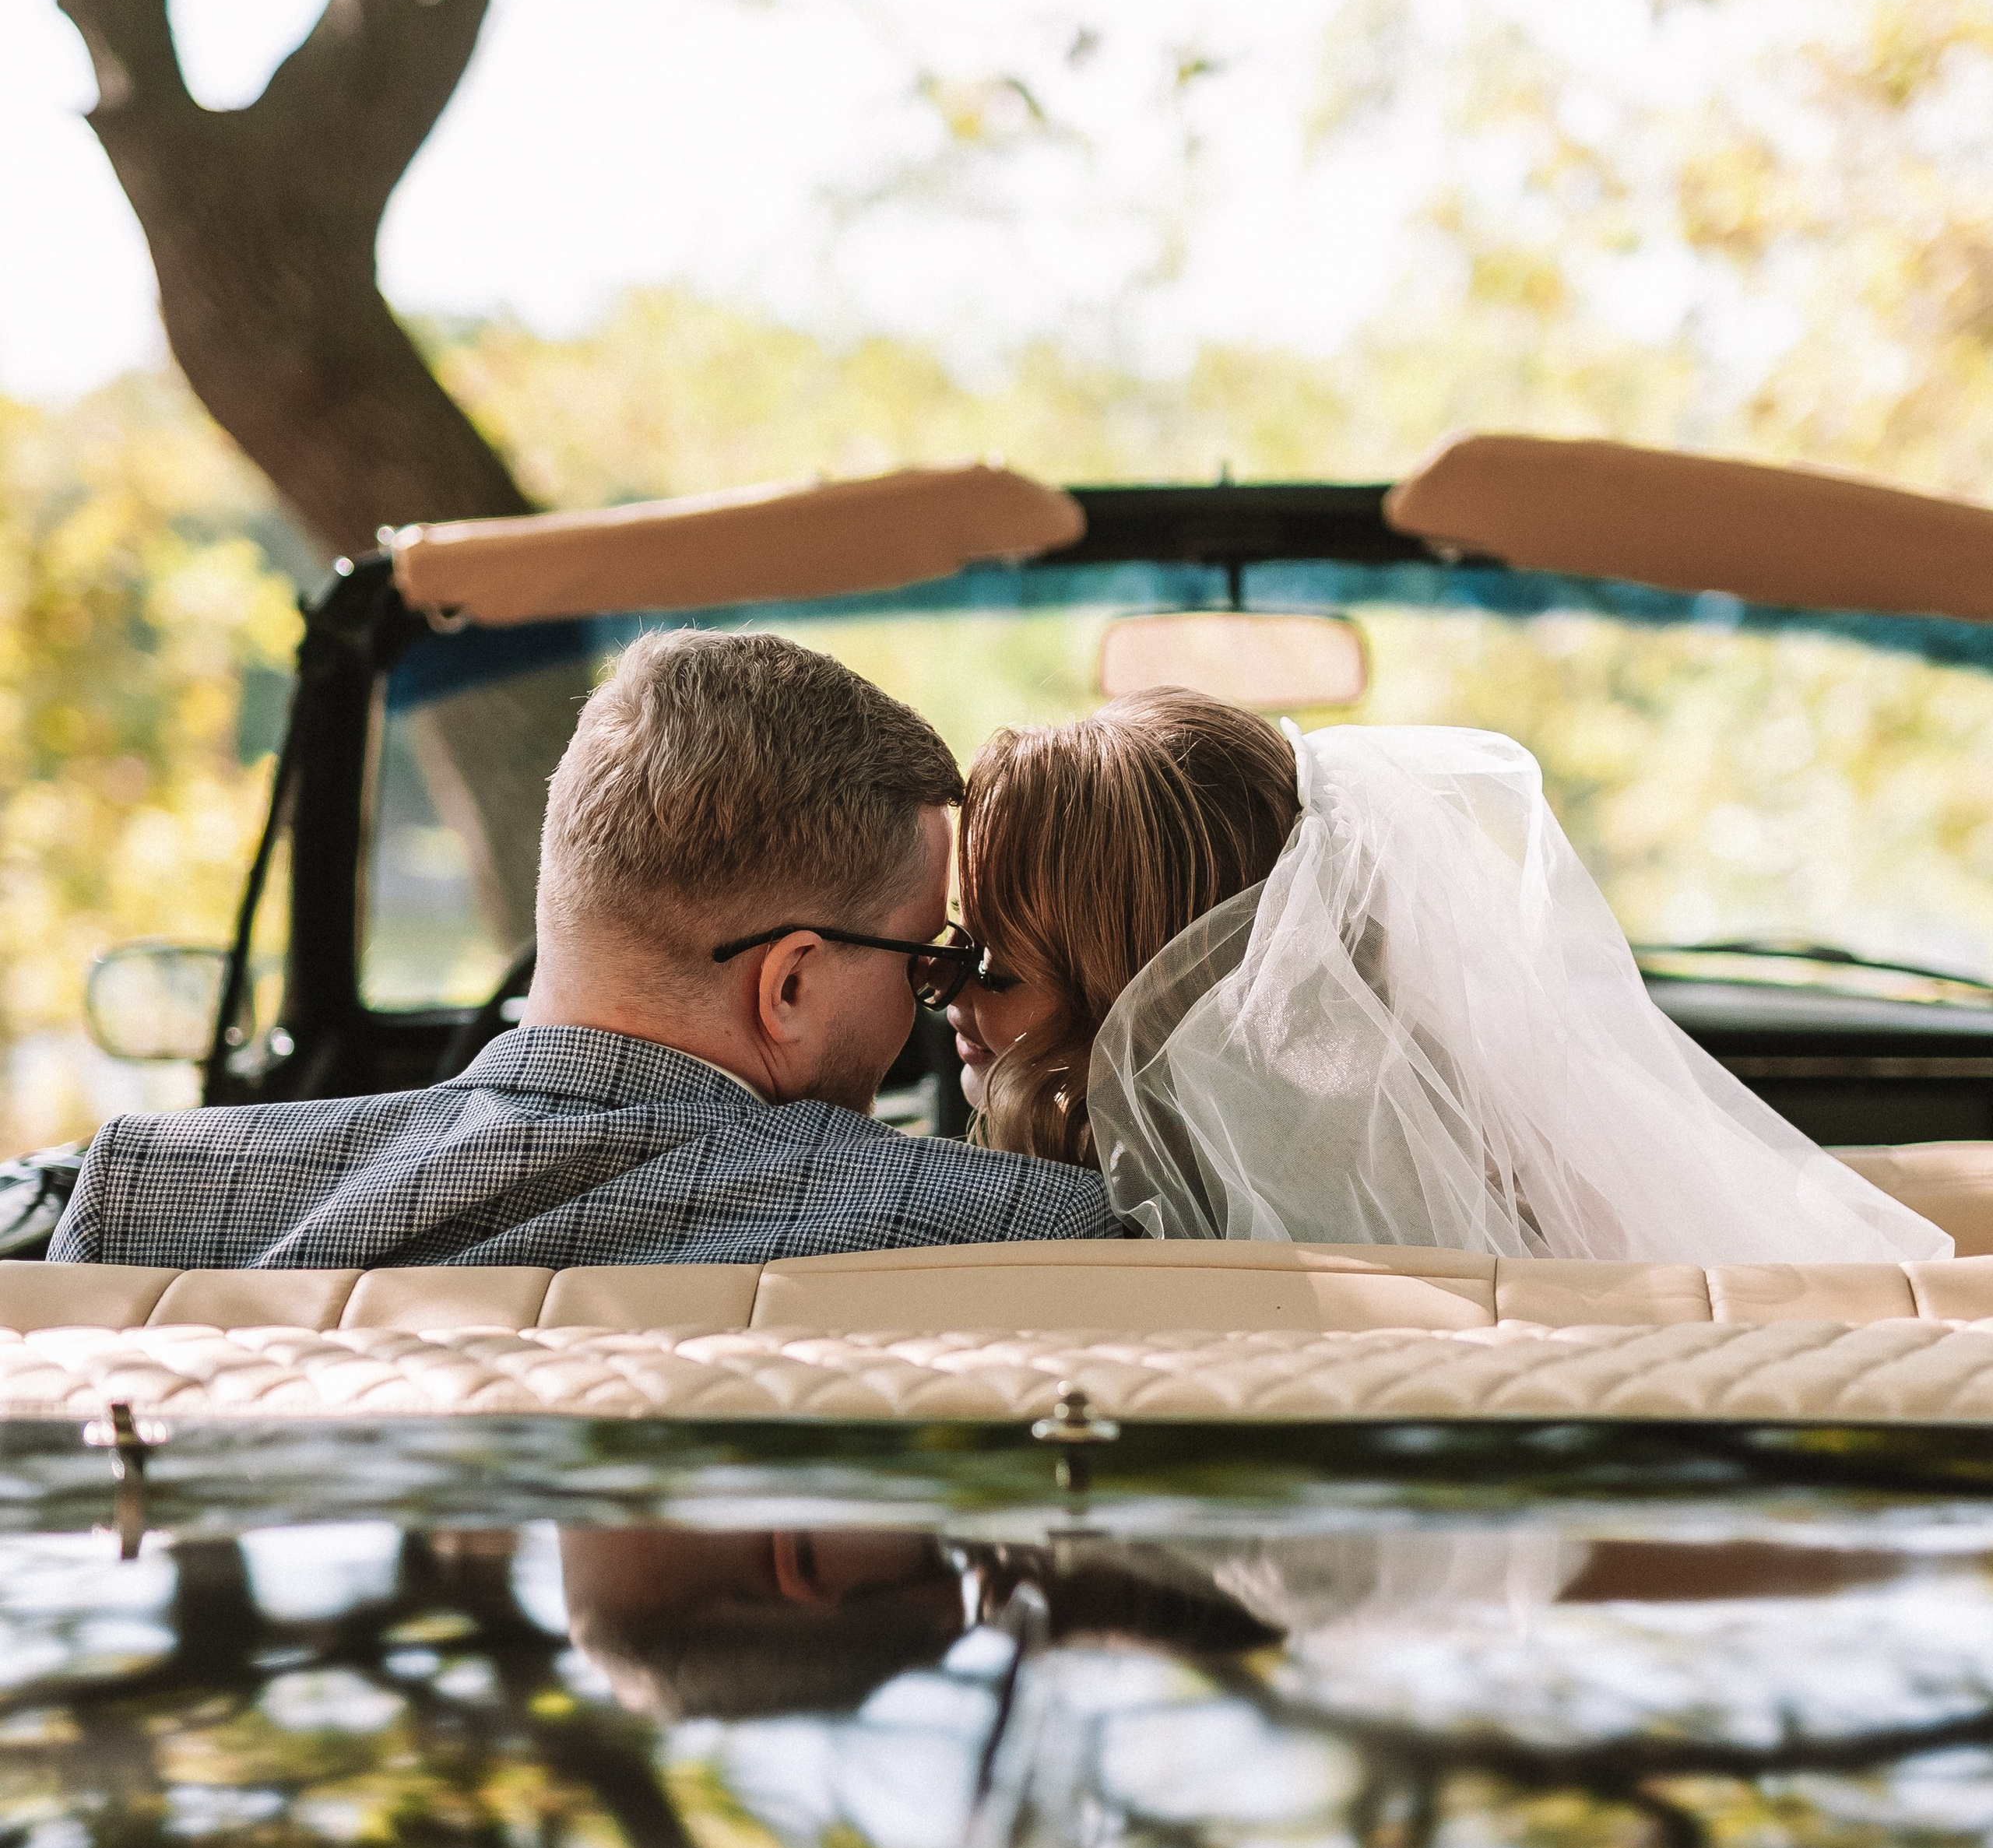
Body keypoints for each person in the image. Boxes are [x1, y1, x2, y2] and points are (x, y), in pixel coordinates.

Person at [53, 632, 1116, 1270]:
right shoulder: (1029, 1232)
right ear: (788, 985)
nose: (931, 1000)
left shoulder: (143, 1201)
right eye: (922, 962)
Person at [947, 690, 1950, 1267]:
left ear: (1137, 984)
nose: (945, 997)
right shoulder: (1482, 1202)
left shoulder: (1004, 1239)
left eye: (989, 965)